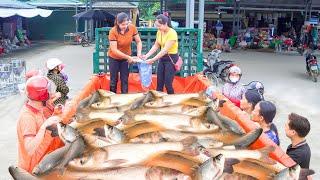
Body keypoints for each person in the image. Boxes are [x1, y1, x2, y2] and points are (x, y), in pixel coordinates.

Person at [17, 76, 64, 173]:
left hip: (41, 159)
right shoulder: (27, 117)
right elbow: (29, 149)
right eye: (48, 92)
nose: (51, 94)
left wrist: (56, 113)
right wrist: (44, 126)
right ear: (42, 96)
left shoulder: (37, 109)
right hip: (32, 169)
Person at [143, 13, 179, 94]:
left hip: (171, 59)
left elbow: (165, 50)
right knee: (159, 83)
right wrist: (147, 55)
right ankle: (159, 100)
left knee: (168, 84)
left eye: (159, 26)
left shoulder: (172, 33)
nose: (158, 28)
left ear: (165, 24)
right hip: (162, 59)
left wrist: (152, 59)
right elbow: (156, 45)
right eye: (157, 26)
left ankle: (172, 100)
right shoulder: (159, 32)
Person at [108, 12, 142, 93]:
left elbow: (138, 42)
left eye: (126, 24)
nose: (125, 26)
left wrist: (139, 53)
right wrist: (128, 57)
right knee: (113, 80)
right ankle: (112, 97)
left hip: (126, 58)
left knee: (125, 79)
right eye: (122, 25)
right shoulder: (113, 31)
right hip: (114, 58)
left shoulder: (132, 28)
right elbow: (114, 50)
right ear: (117, 23)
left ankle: (124, 97)